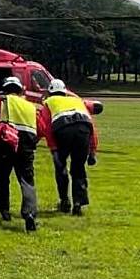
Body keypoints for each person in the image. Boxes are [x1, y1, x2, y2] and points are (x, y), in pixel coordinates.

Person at [0, 76, 38, 232]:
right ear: (20, 90)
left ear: (5, 89)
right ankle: (29, 214)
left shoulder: (2, 100)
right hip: (26, 144)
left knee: (1, 178)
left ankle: (5, 211)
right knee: (27, 180)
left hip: (5, 142)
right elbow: (38, 128)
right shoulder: (30, 106)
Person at [39, 78, 98, 215]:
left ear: (50, 92)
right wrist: (93, 151)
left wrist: (53, 148)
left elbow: (46, 127)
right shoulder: (78, 101)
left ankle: (64, 201)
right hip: (83, 129)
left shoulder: (48, 103)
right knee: (78, 168)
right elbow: (92, 126)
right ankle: (78, 203)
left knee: (61, 167)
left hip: (62, 129)